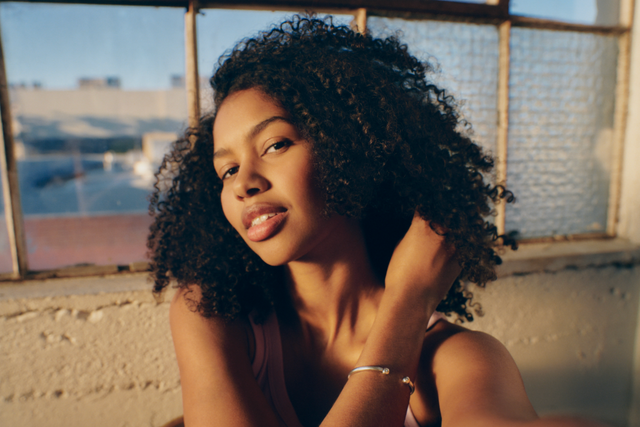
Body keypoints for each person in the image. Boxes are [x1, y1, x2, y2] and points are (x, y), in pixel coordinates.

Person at [148, 15, 606, 427]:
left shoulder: (457, 359)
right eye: (226, 170)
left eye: (274, 145)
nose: (243, 182)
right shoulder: (210, 315)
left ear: (350, 149)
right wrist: (409, 301)